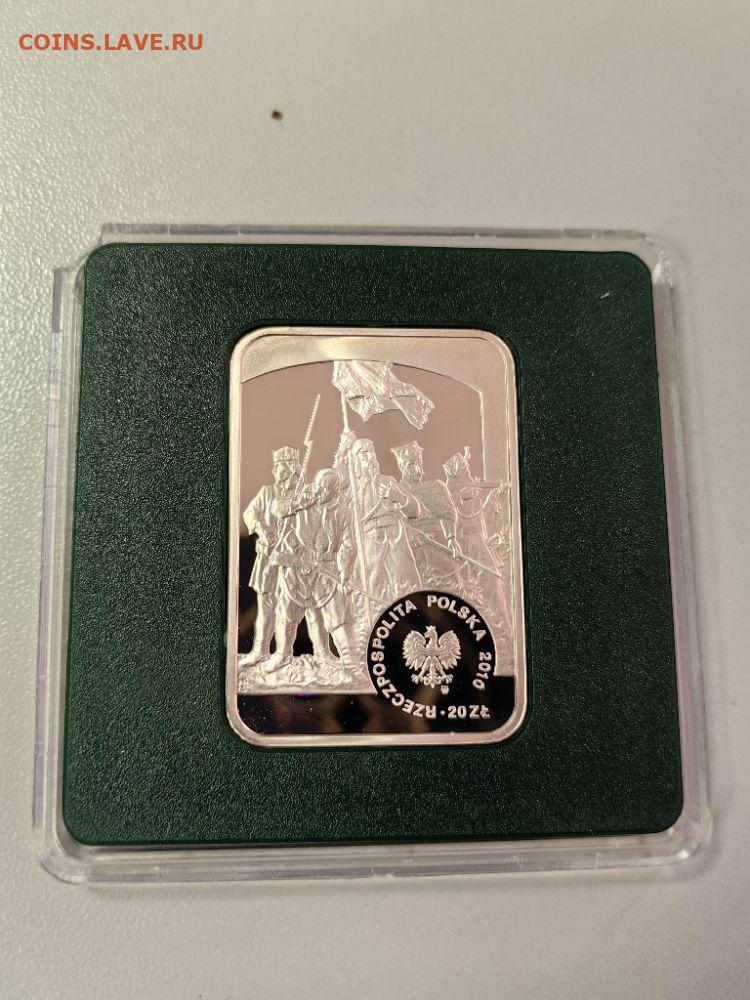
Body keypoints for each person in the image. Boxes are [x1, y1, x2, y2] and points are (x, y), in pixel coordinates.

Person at [269, 468, 361, 674]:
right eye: (319, 486)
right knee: (287, 614)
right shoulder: (303, 503)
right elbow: (276, 508)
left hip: (326, 571)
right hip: (296, 569)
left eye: (326, 487)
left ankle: (350, 663)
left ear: (336, 489)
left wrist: (345, 571)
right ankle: (282, 655)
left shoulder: (344, 513)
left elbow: (348, 546)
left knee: (338, 618)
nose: (320, 490)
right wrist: (297, 503)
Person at [335, 432, 421, 606]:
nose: (371, 457)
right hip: (368, 545)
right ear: (356, 460)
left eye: (372, 451)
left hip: (396, 541)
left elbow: (415, 511)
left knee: (410, 590)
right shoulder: (351, 491)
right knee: (367, 597)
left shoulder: (388, 481)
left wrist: (398, 496)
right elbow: (333, 481)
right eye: (364, 453)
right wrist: (343, 448)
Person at [238, 445, 303, 668]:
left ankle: (285, 654)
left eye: (279, 466)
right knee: (265, 606)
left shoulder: (302, 495)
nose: (274, 471)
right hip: (268, 559)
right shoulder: (267, 493)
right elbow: (249, 513)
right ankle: (260, 650)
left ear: (290, 468)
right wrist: (262, 529)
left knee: (289, 609)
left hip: (292, 562)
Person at [391, 440, 460, 589]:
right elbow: (393, 524)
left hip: (439, 548)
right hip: (413, 549)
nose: (416, 468)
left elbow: (448, 515)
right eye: (411, 464)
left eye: (418, 462)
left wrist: (451, 538)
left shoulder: (437, 487)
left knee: (450, 587)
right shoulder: (396, 491)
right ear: (401, 466)